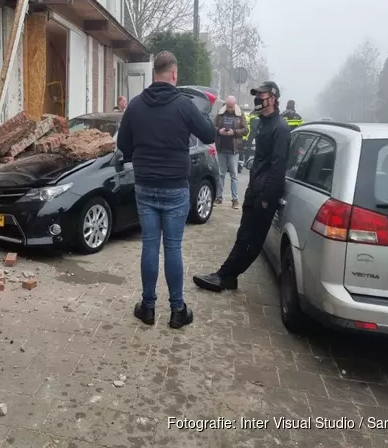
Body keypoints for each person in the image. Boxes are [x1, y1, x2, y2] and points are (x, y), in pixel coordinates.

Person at [117, 51, 216, 327]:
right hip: (175, 187)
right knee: (173, 247)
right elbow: (209, 134)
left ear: (153, 73)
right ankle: (177, 311)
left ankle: (147, 308)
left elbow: (123, 145)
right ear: (174, 74)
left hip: (145, 186)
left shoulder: (135, 106)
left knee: (150, 245)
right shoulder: (184, 106)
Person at [193, 81, 291, 292]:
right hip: (254, 190)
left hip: (264, 196)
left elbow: (277, 168)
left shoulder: (280, 129)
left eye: (261, 96)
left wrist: (266, 198)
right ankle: (227, 276)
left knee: (252, 241)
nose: (257, 100)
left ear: (272, 99)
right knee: (243, 236)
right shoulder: (264, 123)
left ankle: (224, 276)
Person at [214, 96, 248, 208]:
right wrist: (219, 131)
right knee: (221, 174)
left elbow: (246, 130)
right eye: (227, 106)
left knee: (234, 175)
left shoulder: (240, 114)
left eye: (231, 106)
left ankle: (235, 200)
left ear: (235, 104)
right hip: (221, 148)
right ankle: (219, 198)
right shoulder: (220, 113)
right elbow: (213, 126)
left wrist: (234, 132)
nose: (229, 109)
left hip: (234, 149)